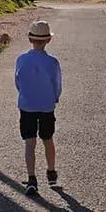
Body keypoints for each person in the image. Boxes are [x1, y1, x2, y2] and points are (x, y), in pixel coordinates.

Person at [15, 20, 62, 196]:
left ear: (30, 39)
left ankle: (32, 178)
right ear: (48, 40)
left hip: (27, 105)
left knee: (29, 143)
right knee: (47, 139)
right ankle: (51, 172)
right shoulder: (52, 62)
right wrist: (54, 98)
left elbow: (18, 82)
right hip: (46, 106)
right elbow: (57, 84)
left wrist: (25, 94)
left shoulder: (21, 59)